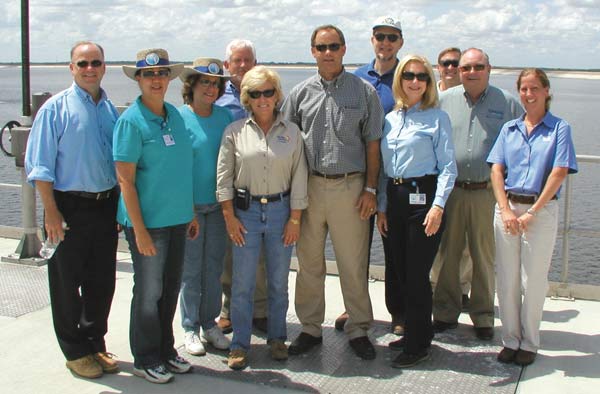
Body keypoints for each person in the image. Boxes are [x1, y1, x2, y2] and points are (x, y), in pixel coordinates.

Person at [282, 24, 384, 360]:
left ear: (344, 49)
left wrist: (370, 188)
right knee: (309, 262)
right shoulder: (299, 94)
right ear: (312, 51)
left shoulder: (363, 91)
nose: (328, 52)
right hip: (309, 187)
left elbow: (373, 144)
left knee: (352, 262)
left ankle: (358, 328)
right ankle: (310, 328)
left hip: (351, 187)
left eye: (334, 46)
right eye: (322, 47)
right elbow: (288, 145)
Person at [24, 41, 120, 379]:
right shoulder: (55, 109)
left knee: (102, 281)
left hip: (105, 204)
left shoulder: (109, 109)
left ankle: (95, 342)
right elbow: (39, 166)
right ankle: (75, 351)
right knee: (67, 282)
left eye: (96, 62)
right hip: (69, 206)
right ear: (72, 68)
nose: (90, 68)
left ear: (104, 66)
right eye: (83, 63)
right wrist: (51, 211)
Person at [114, 48, 198, 384]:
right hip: (148, 225)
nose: (156, 79)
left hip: (177, 220)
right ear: (138, 79)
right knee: (148, 293)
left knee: (169, 288)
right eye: (149, 74)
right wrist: (140, 231)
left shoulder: (175, 116)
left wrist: (189, 212)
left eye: (162, 74)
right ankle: (145, 357)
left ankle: (165, 350)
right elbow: (126, 180)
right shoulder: (130, 122)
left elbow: (181, 169)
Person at [216, 66, 308, 370]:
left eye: (268, 92)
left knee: (278, 282)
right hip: (246, 213)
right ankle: (240, 344)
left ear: (277, 95)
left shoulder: (292, 132)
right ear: (247, 98)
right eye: (255, 93)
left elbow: (299, 178)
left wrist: (295, 219)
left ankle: (278, 338)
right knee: (242, 284)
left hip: (282, 212)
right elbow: (223, 179)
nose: (263, 99)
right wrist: (229, 216)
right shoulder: (234, 132)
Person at [488, 68, 577, 366]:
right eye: (524, 89)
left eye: (535, 88)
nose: (529, 94)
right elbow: (496, 170)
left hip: (540, 211)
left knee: (534, 280)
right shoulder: (509, 129)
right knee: (507, 279)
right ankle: (510, 339)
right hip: (508, 209)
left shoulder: (559, 129)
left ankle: (529, 342)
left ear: (547, 91)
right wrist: (504, 209)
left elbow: (559, 171)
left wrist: (533, 212)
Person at [432, 48, 523, 340]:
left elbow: (521, 146)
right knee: (448, 254)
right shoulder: (443, 101)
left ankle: (482, 315)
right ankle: (445, 312)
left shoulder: (507, 103)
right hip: (451, 191)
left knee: (484, 256)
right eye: (466, 67)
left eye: (478, 67)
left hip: (487, 192)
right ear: (458, 71)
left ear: (489, 68)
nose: (472, 72)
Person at [377, 54, 456, 368]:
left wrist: (438, 207)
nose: (414, 81)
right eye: (408, 75)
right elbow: (384, 170)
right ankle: (413, 331)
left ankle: (418, 345)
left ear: (428, 82)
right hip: (395, 200)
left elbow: (449, 168)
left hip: (423, 201)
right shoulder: (391, 118)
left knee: (416, 275)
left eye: (421, 76)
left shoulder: (437, 118)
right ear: (400, 78)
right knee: (398, 271)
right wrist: (382, 209)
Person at [348, 15, 405, 336]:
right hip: (359, 178)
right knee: (355, 247)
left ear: (400, 42)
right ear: (372, 40)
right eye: (380, 36)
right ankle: (354, 307)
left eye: (392, 37)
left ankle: (399, 312)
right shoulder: (357, 78)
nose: (385, 42)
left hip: (394, 177)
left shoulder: (407, 76)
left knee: (395, 249)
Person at [177, 58, 234, 356]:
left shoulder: (225, 117)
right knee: (191, 271)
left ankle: (209, 324)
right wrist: (184, 209)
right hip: (191, 208)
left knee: (213, 269)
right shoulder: (177, 117)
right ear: (192, 86)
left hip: (219, 206)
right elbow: (174, 166)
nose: (211, 88)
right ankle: (189, 328)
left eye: (216, 83)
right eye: (205, 83)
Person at [215, 39, 269, 334]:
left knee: (259, 254)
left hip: (260, 187)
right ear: (227, 65)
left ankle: (260, 309)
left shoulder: (266, 97)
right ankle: (229, 310)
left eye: (249, 60)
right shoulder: (218, 100)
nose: (244, 65)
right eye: (237, 60)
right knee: (229, 254)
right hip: (230, 187)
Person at [431, 46, 472, 309]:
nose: (450, 68)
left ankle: (463, 288)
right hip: (433, 181)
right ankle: (435, 287)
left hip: (463, 183)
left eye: (455, 63)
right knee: (435, 240)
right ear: (438, 67)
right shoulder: (428, 93)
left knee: (465, 244)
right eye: (445, 63)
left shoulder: (471, 97)